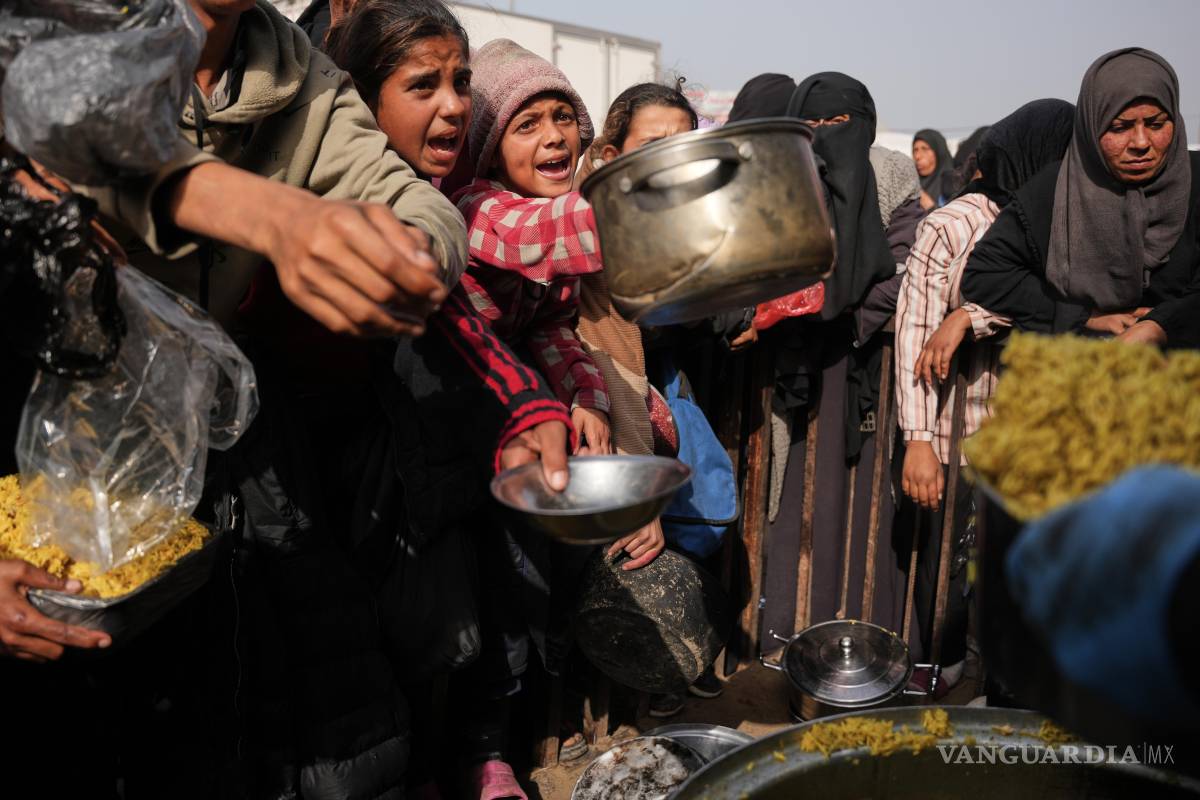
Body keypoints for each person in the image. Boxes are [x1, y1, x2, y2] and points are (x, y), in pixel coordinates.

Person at [894, 98, 1075, 685]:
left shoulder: (1065, 224)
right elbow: (916, 332)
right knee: (945, 555)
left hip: (1028, 425)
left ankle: (996, 669)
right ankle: (941, 663)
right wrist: (918, 439)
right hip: (953, 422)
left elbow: (1068, 311)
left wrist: (974, 316)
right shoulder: (952, 224)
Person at [754, 72, 917, 662]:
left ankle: (865, 649)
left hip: (863, 370)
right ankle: (786, 643)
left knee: (862, 509)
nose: (825, 137)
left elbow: (905, 268)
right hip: (792, 372)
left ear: (866, 125)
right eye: (813, 124)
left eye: (840, 124)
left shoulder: (894, 175)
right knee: (792, 503)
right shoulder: (782, 174)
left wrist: (846, 319)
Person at [963, 48, 1200, 350]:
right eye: (1119, 127)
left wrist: (1161, 325)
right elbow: (985, 275)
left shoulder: (1196, 182)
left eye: (1156, 125)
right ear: (1090, 125)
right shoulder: (1054, 190)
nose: (1141, 143)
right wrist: (1080, 316)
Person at [913, 128, 955, 209]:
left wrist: (930, 207)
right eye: (915, 150)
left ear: (938, 151)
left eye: (925, 149)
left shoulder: (954, 185)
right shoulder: (911, 184)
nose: (917, 156)